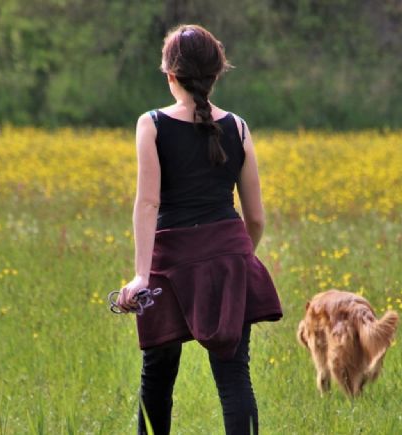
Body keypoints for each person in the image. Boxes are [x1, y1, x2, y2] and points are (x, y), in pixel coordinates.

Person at [116, 24, 282, 435]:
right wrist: (239, 259)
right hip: (228, 256)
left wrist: (141, 276)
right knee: (234, 376)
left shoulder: (151, 124)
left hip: (170, 262)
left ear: (170, 75)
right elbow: (256, 218)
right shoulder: (238, 127)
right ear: (216, 74)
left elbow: (148, 203)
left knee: (157, 375)